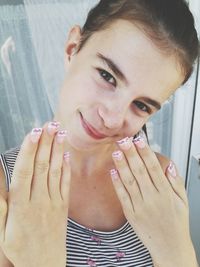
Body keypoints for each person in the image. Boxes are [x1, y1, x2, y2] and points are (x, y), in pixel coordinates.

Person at [0, 0, 199, 266]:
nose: (112, 118)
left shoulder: (158, 182)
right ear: (73, 49)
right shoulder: (8, 188)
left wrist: (178, 251)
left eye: (141, 105)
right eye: (107, 76)